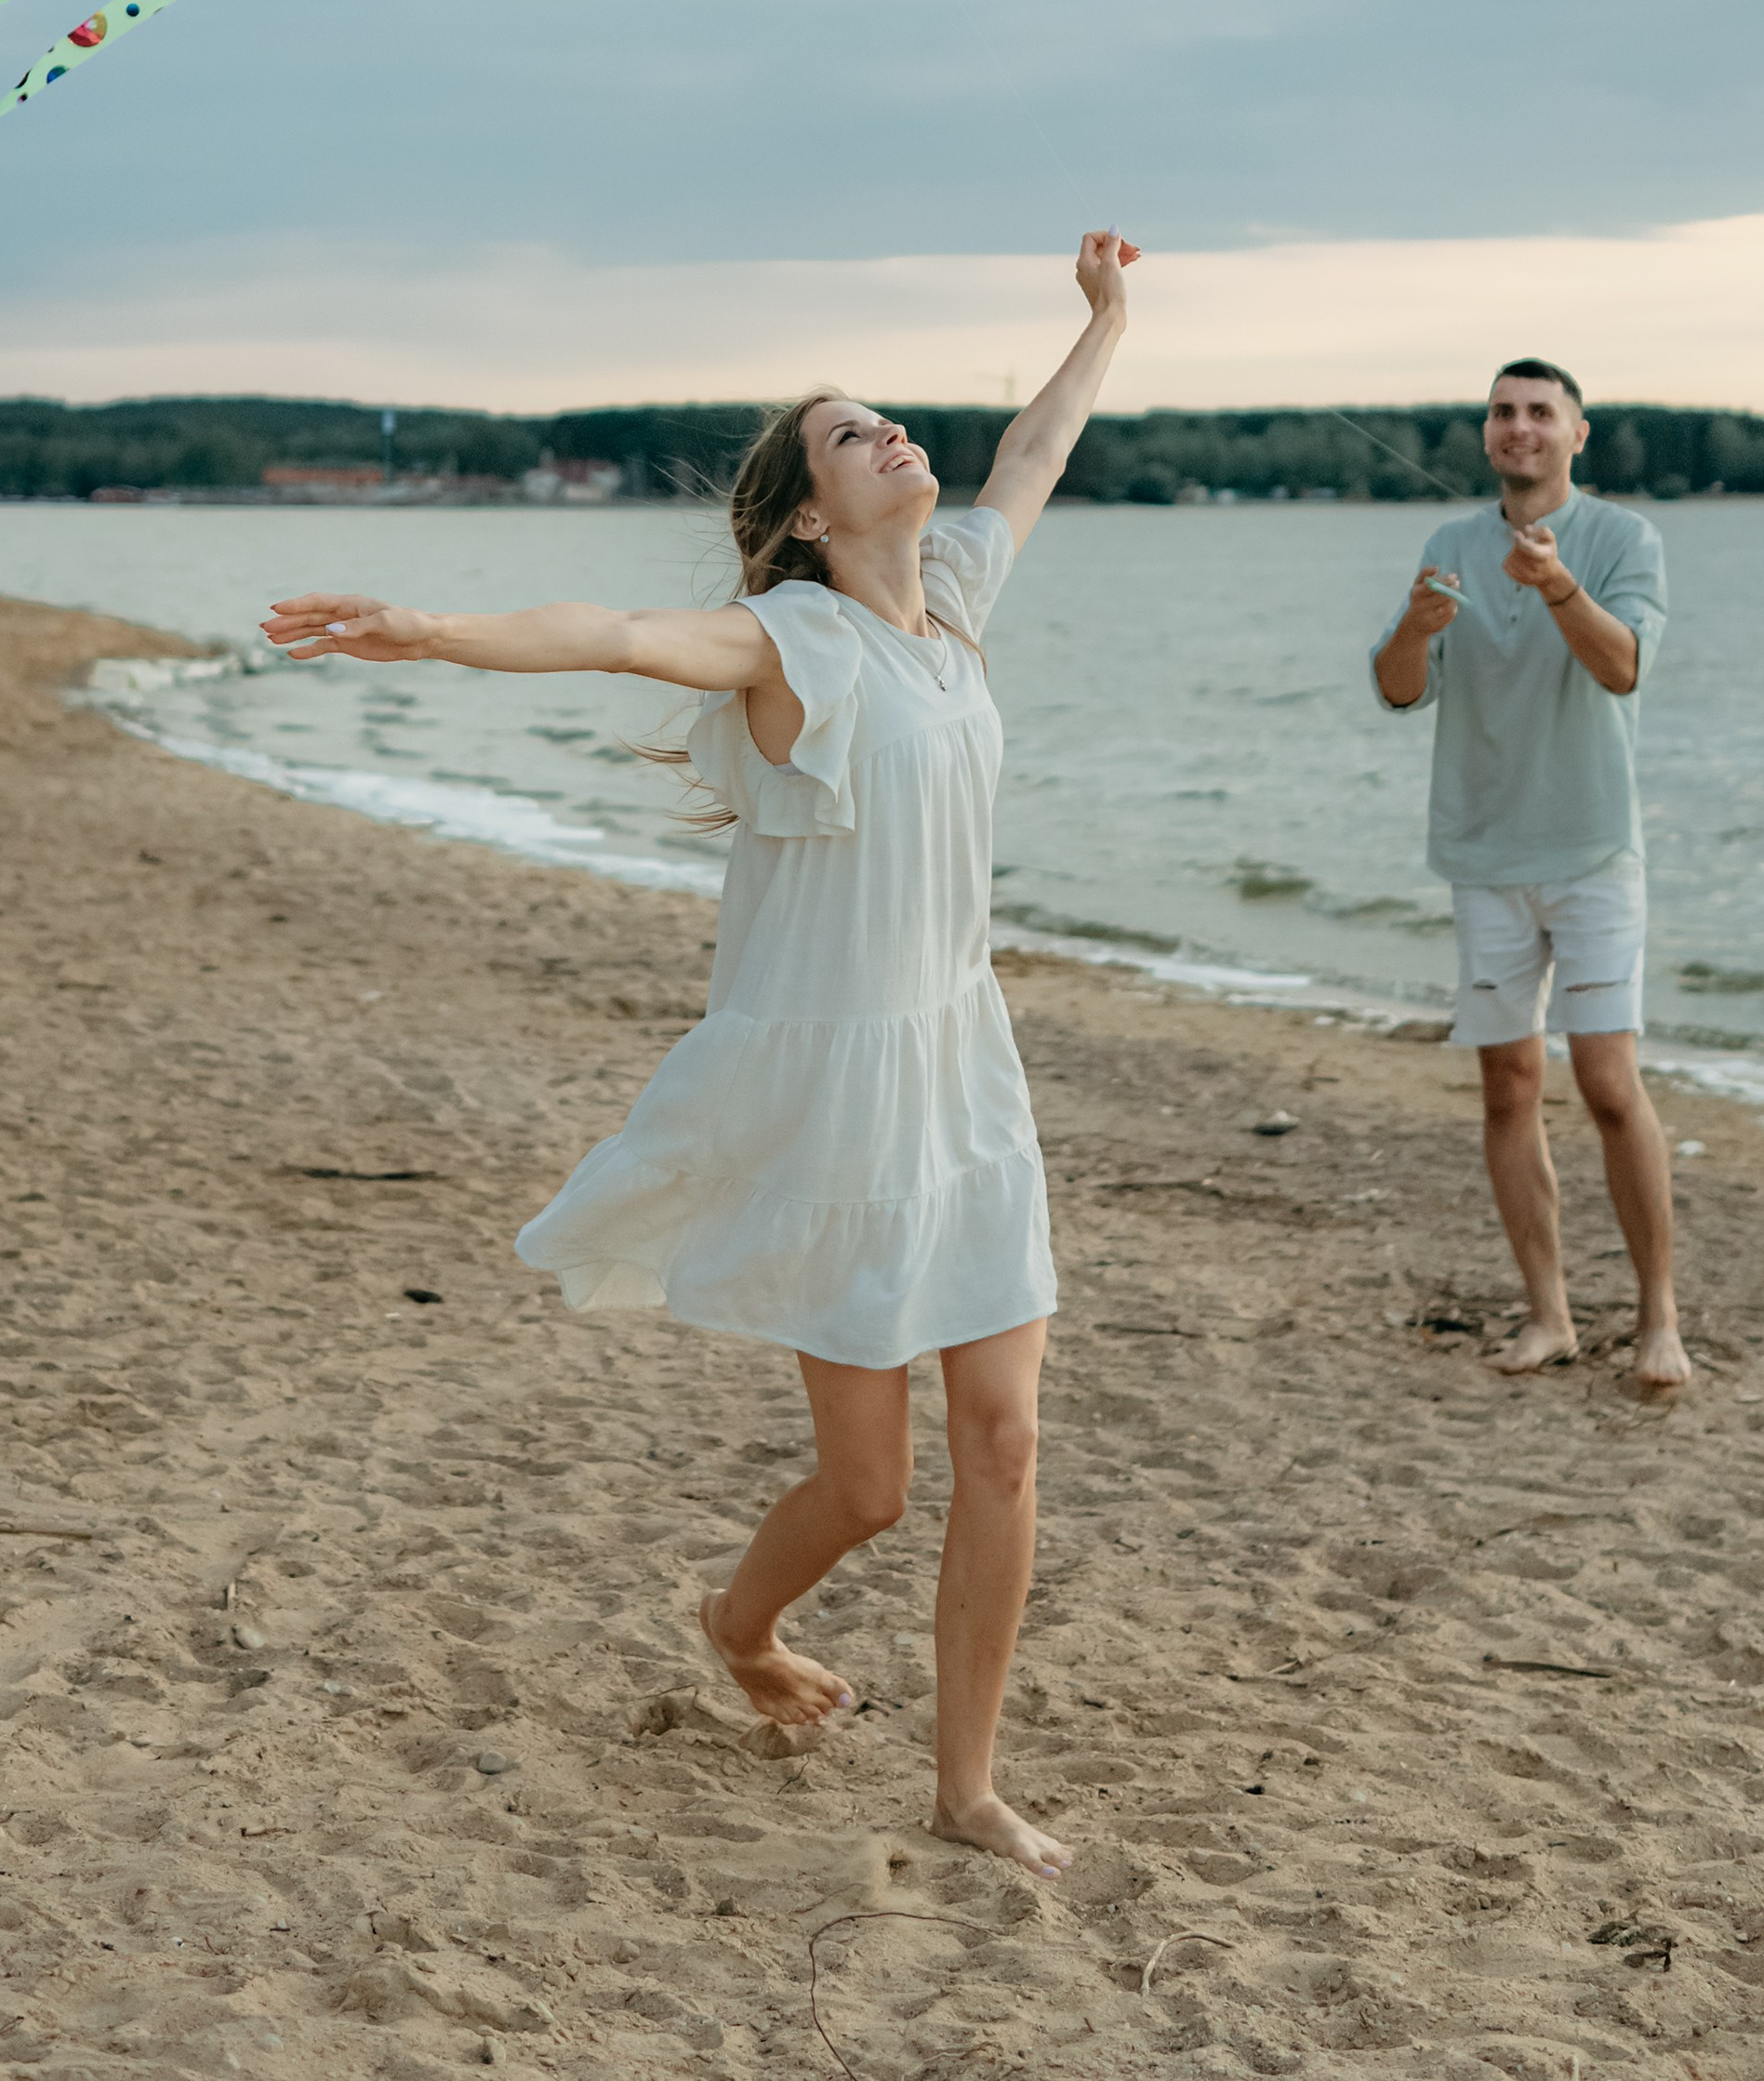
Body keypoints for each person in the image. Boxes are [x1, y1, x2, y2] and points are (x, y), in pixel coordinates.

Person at [260, 232, 1140, 1879]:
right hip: (840, 1100)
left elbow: (1037, 449)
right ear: (809, 513)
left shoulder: (955, 600)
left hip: (968, 1067)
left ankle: (964, 1790)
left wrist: (1106, 321)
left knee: (1006, 1443)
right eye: (845, 434)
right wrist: (431, 627)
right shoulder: (791, 645)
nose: (888, 436)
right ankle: (739, 1622)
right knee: (869, 1490)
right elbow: (606, 631)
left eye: (888, 420)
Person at [1371, 358, 1689, 1392]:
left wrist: (1557, 584)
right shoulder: (1450, 543)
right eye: (1504, 412)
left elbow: (1623, 666)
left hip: (1595, 852)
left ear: (1576, 434)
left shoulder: (1624, 538)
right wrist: (1415, 630)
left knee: (1607, 1084)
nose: (1520, 428)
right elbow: (1396, 689)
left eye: (1540, 412)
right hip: (1482, 856)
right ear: (1487, 433)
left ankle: (1658, 1322)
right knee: (1508, 1086)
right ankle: (1548, 1315)